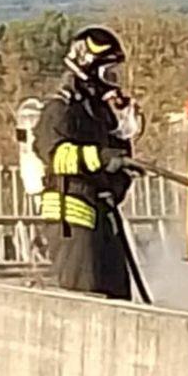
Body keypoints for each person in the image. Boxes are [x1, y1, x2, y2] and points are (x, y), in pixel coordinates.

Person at [33, 26, 144, 299]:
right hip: (71, 219)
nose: (113, 81)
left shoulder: (98, 111)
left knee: (119, 299)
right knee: (85, 301)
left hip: (102, 215)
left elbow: (116, 162)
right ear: (87, 66)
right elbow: (57, 157)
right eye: (108, 73)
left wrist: (123, 131)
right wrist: (104, 158)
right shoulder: (60, 109)